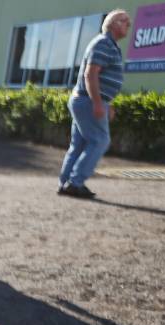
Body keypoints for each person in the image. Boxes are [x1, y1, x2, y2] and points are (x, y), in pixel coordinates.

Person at [58, 9, 130, 199]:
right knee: (100, 140)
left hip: (85, 100)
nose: (128, 25)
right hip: (88, 101)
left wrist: (108, 103)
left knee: (79, 144)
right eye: (125, 21)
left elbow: (103, 78)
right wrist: (98, 103)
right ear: (113, 24)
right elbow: (91, 74)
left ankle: (66, 182)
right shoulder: (104, 43)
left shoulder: (109, 45)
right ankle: (75, 182)